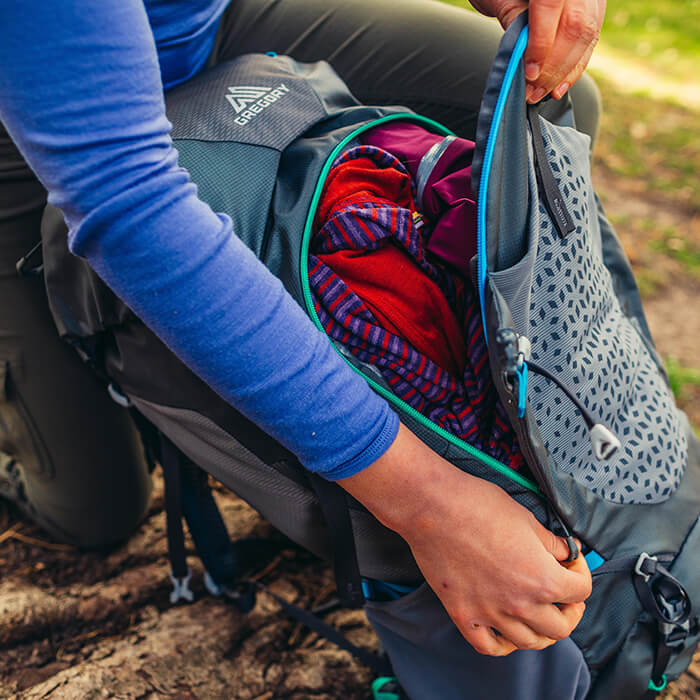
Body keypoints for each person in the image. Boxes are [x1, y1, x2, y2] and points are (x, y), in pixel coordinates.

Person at [0, 0, 603, 696]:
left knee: (548, 91)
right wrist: (429, 506)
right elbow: (133, 210)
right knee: (95, 507)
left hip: (206, 25)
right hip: (31, 120)